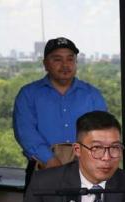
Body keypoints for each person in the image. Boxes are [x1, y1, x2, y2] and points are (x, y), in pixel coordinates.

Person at [13, 37, 107, 188]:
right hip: (42, 169)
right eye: (57, 59)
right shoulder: (28, 94)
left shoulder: (92, 95)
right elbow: (25, 132)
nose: (65, 65)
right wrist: (49, 160)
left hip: (86, 171)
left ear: (76, 63)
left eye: (70, 59)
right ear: (45, 64)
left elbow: (103, 133)